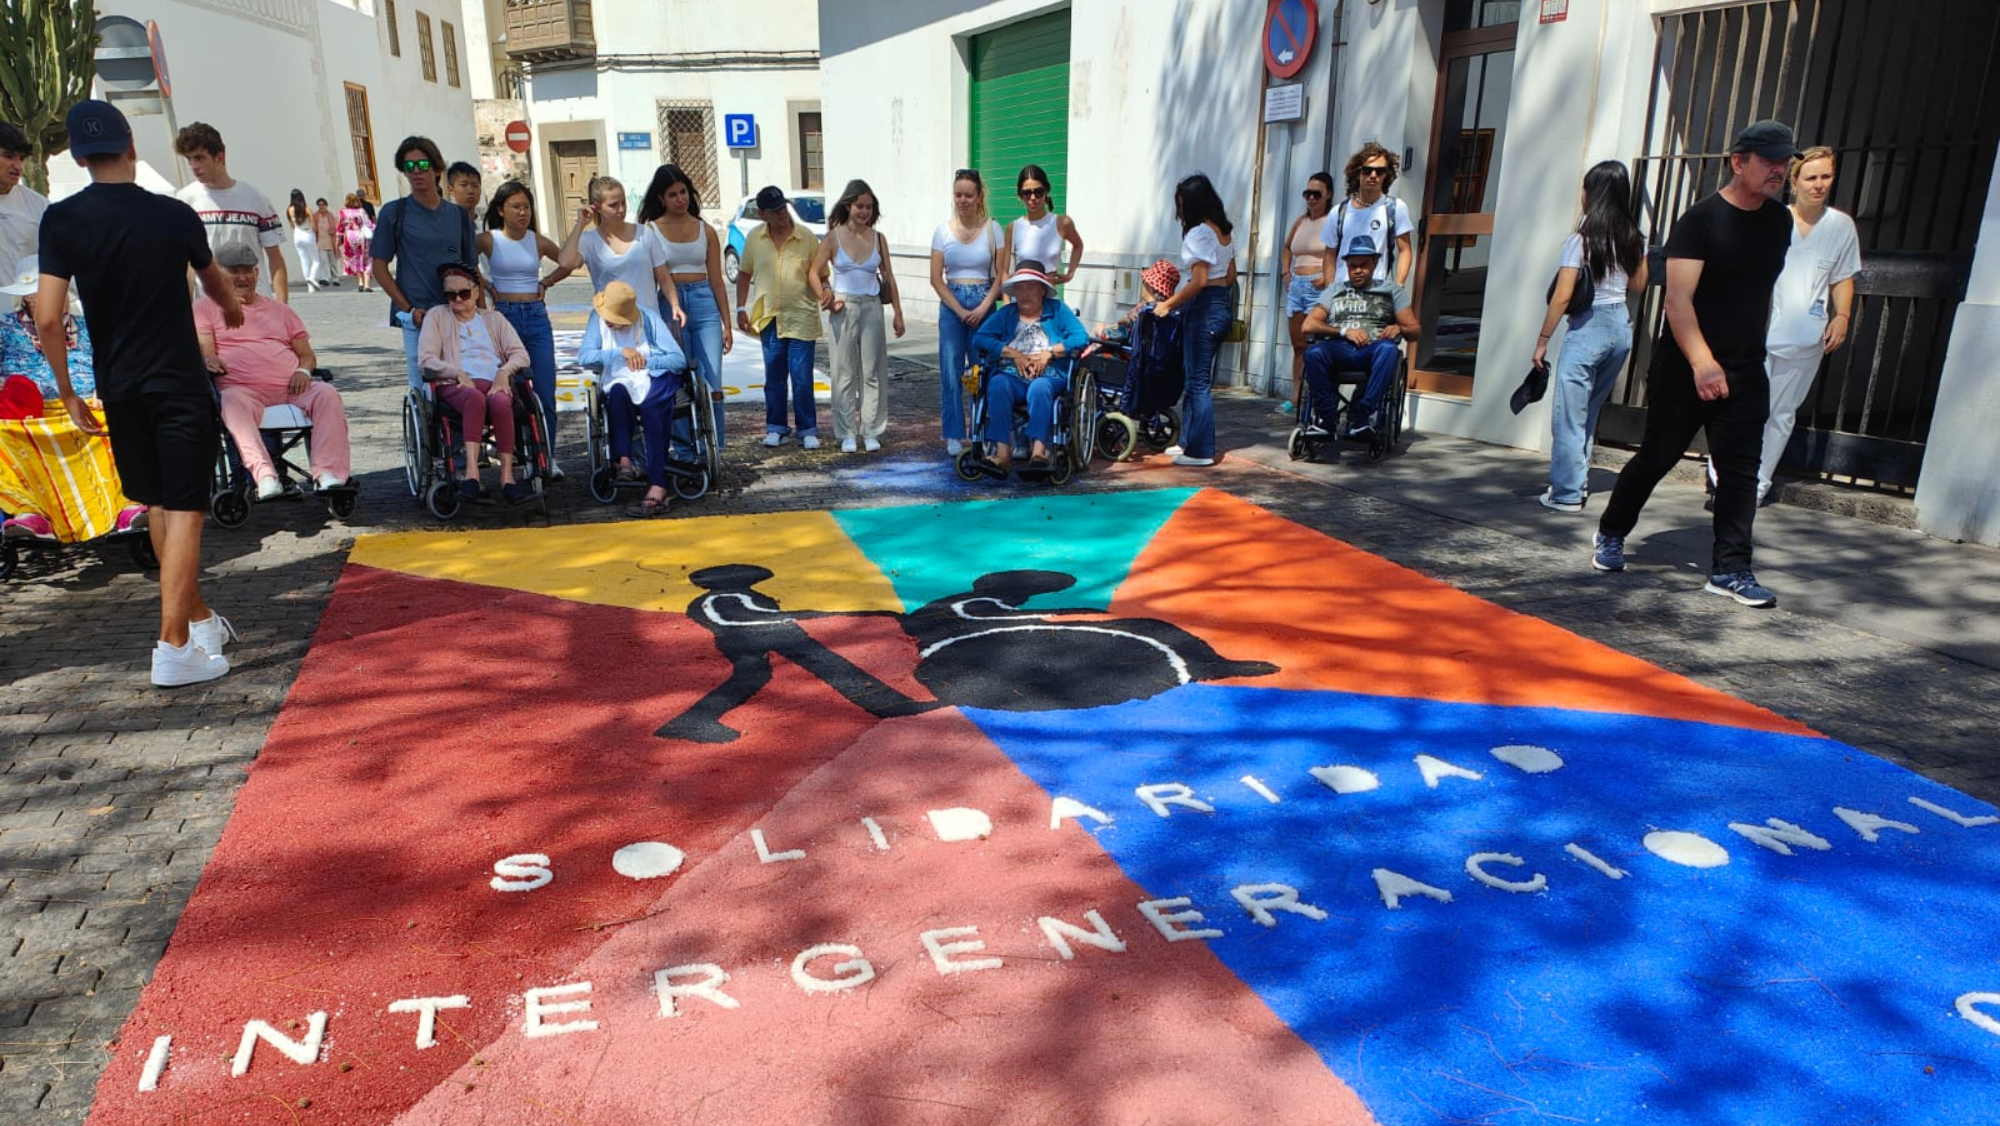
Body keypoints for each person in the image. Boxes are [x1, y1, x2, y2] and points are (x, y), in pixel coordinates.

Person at [38, 99, 245, 686]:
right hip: (176, 378)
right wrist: (230, 310)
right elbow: (214, 282)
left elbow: (50, 318)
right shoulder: (174, 214)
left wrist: (67, 389)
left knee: (159, 502)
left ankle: (197, 620)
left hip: (118, 382)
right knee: (185, 509)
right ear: (131, 144)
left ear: (78, 155)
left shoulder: (61, 219)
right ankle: (172, 646)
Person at [1593, 120, 1798, 609]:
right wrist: (1704, 363)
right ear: (1738, 162)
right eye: (1769, 160)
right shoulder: (1700, 221)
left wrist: (1752, 351)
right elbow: (1678, 302)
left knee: (1742, 471)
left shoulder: (1779, 221)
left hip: (1746, 369)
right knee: (1658, 456)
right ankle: (1611, 531)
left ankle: (1731, 569)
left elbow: (1759, 292)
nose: (1779, 169)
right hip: (1686, 367)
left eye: (1784, 161)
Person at [1713, 145, 1859, 506]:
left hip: (1805, 338)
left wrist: (1842, 317)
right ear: (1794, 181)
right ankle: (1723, 478)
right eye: (1811, 177)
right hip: (1757, 333)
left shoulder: (1841, 226)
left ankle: (1756, 486)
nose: (1819, 184)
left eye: (1826, 177)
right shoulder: (1772, 218)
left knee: (1780, 414)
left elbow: (1843, 277)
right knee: (1741, 409)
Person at [0, 254, 146, 543]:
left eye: (56, 291)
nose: (48, 299)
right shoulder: (5, 329)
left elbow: (111, 363)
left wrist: (102, 390)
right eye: (36, 295)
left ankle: (127, 506)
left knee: (119, 421)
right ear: (25, 300)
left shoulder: (89, 325)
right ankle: (31, 513)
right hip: (27, 415)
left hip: (87, 406)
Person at [1533, 160, 1649, 512]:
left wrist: (1542, 339)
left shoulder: (1580, 241)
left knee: (1569, 414)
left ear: (1592, 194)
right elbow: (1639, 285)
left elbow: (1563, 295)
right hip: (1620, 328)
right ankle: (1576, 481)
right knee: (1590, 410)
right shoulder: (1633, 237)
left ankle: (1567, 492)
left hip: (1588, 328)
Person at [195, 243, 352, 499]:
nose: (243, 277)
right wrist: (209, 361)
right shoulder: (206, 308)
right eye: (234, 270)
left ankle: (328, 473)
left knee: (326, 393)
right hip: (243, 391)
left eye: (248, 270)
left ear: (258, 273)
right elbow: (206, 350)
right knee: (231, 402)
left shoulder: (281, 310)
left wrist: (303, 370)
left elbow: (306, 355)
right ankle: (265, 475)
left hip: (291, 388)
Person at [417, 261, 533, 505]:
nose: (457, 299)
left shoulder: (494, 319)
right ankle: (471, 472)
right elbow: (426, 358)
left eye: (464, 293)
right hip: (456, 385)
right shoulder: (437, 316)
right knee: (474, 398)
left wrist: (504, 372)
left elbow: (520, 354)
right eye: (451, 295)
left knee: (502, 401)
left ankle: (507, 477)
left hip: (493, 380)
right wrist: (456, 371)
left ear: (476, 292)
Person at [477, 180, 572, 474]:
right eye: (515, 207)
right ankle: (523, 455)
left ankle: (548, 457)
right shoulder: (489, 240)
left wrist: (547, 282)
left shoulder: (537, 240)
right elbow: (462, 263)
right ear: (501, 210)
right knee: (514, 391)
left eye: (527, 207)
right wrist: (485, 285)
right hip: (504, 315)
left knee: (545, 390)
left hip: (535, 314)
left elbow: (568, 262)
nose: (522, 213)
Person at [371, 136, 479, 391]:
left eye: (423, 165)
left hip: (458, 311)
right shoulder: (394, 213)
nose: (416, 172)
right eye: (409, 167)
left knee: (464, 382)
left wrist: (480, 316)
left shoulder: (458, 216)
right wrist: (408, 309)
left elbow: (471, 270)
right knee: (423, 385)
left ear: (437, 169)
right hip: (418, 314)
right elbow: (379, 267)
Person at [638, 163, 732, 447]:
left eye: (683, 192)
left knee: (712, 380)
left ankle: (714, 445)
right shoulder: (650, 231)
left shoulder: (706, 230)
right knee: (677, 379)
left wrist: (727, 323)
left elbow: (717, 281)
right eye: (672, 194)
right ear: (661, 199)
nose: (680, 199)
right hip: (670, 303)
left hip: (704, 302)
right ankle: (683, 448)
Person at [967, 260, 1088, 479]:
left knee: (1040, 388)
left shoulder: (1058, 310)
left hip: (1049, 376)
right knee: (997, 384)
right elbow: (980, 338)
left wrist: (1050, 353)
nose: (1024, 293)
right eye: (1020, 287)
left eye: (1031, 286)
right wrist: (1014, 354)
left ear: (1043, 289)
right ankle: (1002, 455)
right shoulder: (1007, 313)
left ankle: (1038, 453)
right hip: (1012, 376)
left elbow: (1081, 338)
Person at [577, 279, 686, 518]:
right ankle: (624, 461)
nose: (609, 321)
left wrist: (646, 361)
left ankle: (659, 483)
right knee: (616, 394)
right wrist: (620, 352)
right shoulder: (597, 320)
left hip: (654, 374)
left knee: (651, 407)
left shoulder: (647, 319)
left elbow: (678, 360)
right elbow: (584, 356)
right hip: (619, 378)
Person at [811, 178, 904, 454]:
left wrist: (898, 313)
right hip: (844, 305)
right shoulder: (833, 237)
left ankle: (871, 430)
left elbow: (890, 277)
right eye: (859, 206)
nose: (864, 211)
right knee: (843, 372)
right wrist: (825, 298)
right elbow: (813, 272)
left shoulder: (879, 238)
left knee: (873, 370)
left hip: (873, 306)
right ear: (848, 205)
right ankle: (847, 432)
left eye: (869, 207)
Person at [1149, 173, 1235, 468]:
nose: (1180, 209)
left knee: (1197, 381)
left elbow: (1198, 281)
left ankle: (1201, 450)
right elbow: (1230, 276)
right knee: (1194, 376)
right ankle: (1187, 440)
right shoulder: (1224, 232)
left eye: (1182, 203)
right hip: (1221, 303)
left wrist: (1168, 304)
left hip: (1203, 307)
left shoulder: (1199, 233)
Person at [1298, 235, 1419, 439]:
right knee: (1313, 352)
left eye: (1363, 265)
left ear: (1374, 262)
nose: (1358, 270)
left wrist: (1400, 327)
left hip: (1372, 349)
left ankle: (1361, 416)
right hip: (1339, 347)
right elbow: (1308, 324)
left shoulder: (1391, 291)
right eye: (1353, 266)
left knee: (1389, 350)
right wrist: (1344, 332)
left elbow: (1415, 330)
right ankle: (1326, 420)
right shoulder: (1335, 290)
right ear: (1346, 265)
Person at [734, 186, 822, 449]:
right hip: (769, 317)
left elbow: (820, 274)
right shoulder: (754, 239)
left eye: (783, 207)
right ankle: (776, 427)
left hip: (801, 316)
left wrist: (826, 293)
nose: (782, 214)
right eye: (775, 211)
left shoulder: (806, 238)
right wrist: (740, 308)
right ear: (762, 214)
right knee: (774, 377)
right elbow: (744, 274)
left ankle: (807, 428)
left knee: (802, 377)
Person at [930, 169, 1006, 457]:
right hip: (953, 304)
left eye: (968, 195)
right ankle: (953, 433)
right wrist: (960, 309)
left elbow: (1000, 275)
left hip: (984, 301)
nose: (962, 200)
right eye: (958, 194)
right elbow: (936, 278)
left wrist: (985, 306)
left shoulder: (992, 229)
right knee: (951, 369)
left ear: (979, 197)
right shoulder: (942, 231)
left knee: (983, 370)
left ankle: (983, 429)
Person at [174, 123, 288, 303]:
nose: (193, 166)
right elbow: (186, 263)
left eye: (199, 158)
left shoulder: (255, 198)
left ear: (219, 157)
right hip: (210, 309)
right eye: (189, 159)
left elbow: (275, 259)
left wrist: (282, 308)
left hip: (255, 305)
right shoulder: (184, 200)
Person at [555, 175, 672, 323]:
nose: (621, 209)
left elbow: (664, 277)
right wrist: (580, 225)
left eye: (623, 203)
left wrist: (674, 305)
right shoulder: (589, 240)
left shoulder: (645, 233)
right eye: (613, 205)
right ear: (597, 207)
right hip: (611, 322)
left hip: (646, 319)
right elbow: (566, 262)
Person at [1317, 143, 1415, 291]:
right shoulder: (1339, 212)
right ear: (1358, 173)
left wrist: (1399, 286)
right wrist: (1330, 291)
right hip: (1343, 291)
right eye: (1367, 170)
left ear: (1386, 174)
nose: (1373, 175)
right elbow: (1329, 254)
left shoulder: (1395, 208)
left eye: (1379, 171)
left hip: (1377, 291)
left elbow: (1405, 249)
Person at [1281, 171, 1334, 413]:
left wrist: (1327, 276)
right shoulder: (1300, 221)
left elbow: (1338, 253)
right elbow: (1286, 247)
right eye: (1308, 193)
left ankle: (1316, 395)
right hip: (1297, 286)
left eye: (1317, 194)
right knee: (1299, 345)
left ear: (1328, 195)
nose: (1311, 199)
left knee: (1316, 345)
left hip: (1317, 285)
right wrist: (1286, 273)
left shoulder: (1332, 221)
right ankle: (1295, 396)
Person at [1010, 164, 1081, 286]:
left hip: (1049, 298)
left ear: (1046, 191)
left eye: (1038, 192)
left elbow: (1078, 245)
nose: (1033, 198)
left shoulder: (1062, 223)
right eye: (1027, 193)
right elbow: (1006, 272)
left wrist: (1069, 274)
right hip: (1020, 299)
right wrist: (1007, 302)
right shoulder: (1014, 228)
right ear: (1020, 195)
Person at [0, 121, 48, 276]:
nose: (18, 166)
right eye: (9, 156)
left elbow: (58, 263)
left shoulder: (38, 207)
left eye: (21, 158)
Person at [285, 189, 322, 293]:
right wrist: (316, 236)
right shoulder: (307, 209)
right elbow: (314, 225)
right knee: (316, 260)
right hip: (307, 233)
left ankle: (309, 285)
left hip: (297, 234)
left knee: (304, 260)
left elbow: (291, 225)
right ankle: (312, 278)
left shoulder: (289, 209)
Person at [336, 193, 374, 292]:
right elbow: (368, 224)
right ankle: (367, 285)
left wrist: (338, 239)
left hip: (349, 237)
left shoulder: (343, 212)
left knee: (354, 259)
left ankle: (360, 283)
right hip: (362, 237)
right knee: (367, 260)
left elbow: (341, 226)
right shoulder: (361, 211)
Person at [313, 198, 342, 285]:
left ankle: (335, 278)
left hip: (331, 241)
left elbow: (338, 227)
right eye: (319, 205)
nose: (321, 207)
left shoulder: (331, 216)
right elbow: (313, 228)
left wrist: (335, 233)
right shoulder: (315, 216)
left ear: (326, 205)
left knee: (333, 261)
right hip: (320, 241)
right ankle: (325, 278)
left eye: (323, 205)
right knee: (324, 261)